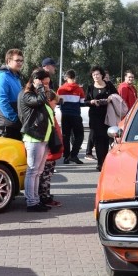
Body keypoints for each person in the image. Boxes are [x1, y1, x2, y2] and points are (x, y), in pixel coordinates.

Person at [18, 69, 52, 212]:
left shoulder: (37, 93)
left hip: (42, 137)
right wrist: (40, 88)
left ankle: (36, 199)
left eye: (47, 84)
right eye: (44, 83)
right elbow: (40, 101)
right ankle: (31, 202)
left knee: (38, 171)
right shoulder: (27, 95)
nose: (46, 87)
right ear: (36, 81)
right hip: (34, 137)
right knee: (32, 171)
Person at [85, 66, 118, 172]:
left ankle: (105, 161)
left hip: (108, 115)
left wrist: (110, 99)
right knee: (98, 140)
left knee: (106, 138)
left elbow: (117, 96)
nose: (95, 76)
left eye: (97, 74)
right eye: (93, 75)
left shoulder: (109, 85)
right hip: (95, 116)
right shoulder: (90, 87)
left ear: (102, 75)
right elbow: (85, 101)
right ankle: (100, 163)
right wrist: (92, 102)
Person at [0, 49, 25, 139]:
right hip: (5, 124)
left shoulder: (17, 78)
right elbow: (2, 101)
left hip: (15, 124)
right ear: (8, 61)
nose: (20, 63)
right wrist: (15, 118)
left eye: (21, 60)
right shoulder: (2, 78)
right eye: (17, 60)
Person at [39, 90, 62, 207]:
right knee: (46, 176)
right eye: (54, 102)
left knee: (45, 175)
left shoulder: (48, 112)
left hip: (49, 150)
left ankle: (44, 195)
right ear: (49, 101)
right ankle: (45, 197)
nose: (56, 105)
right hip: (49, 151)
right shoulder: (48, 112)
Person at [57, 69, 86, 164]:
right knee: (79, 135)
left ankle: (66, 156)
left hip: (65, 115)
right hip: (75, 115)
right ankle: (73, 155)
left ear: (66, 78)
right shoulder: (79, 89)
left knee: (65, 136)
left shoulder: (61, 89)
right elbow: (82, 103)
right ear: (75, 78)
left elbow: (58, 102)